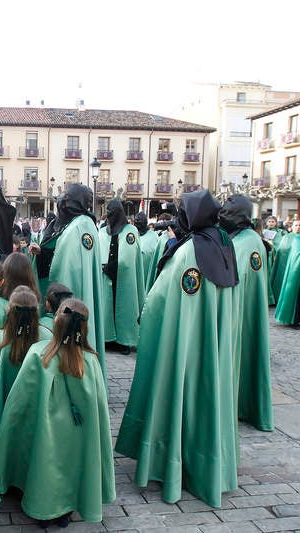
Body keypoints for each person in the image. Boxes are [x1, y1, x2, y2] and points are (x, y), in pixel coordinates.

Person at [115, 189, 240, 507]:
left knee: (180, 395)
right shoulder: (224, 244)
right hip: (211, 341)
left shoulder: (190, 252)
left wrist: (148, 311)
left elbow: (162, 300)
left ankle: (172, 465)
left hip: (184, 342)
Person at [0, 298, 115, 527]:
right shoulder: (91, 363)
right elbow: (97, 414)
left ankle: (42, 504)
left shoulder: (38, 354)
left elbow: (18, 407)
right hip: (77, 440)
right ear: (84, 329)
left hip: (44, 438)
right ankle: (66, 508)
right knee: (74, 457)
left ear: (57, 323)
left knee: (44, 454)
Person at [30, 183, 106, 379]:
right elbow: (60, 252)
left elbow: (72, 265)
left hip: (75, 294)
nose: (61, 202)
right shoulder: (75, 224)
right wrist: (43, 252)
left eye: (66, 198)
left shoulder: (82, 226)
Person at [219, 195, 273, 432]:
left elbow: (243, 280)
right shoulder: (234, 236)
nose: (223, 215)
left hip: (242, 314)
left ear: (241, 216)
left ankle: (242, 404)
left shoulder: (250, 243)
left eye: (228, 211)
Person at [0, 286, 51, 444]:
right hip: (38, 426)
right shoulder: (48, 339)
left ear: (8, 309)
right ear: (37, 310)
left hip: (2, 426)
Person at [99, 200, 145, 354]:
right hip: (107, 277)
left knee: (124, 307)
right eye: (108, 213)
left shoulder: (130, 231)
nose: (109, 216)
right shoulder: (103, 231)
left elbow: (127, 258)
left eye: (112, 213)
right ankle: (108, 337)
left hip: (123, 278)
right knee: (107, 306)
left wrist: (111, 266)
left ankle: (124, 340)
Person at [270, 219, 300, 304]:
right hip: (284, 264)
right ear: (292, 227)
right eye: (296, 225)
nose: (298, 227)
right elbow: (281, 251)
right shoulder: (286, 237)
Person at [135, 212, 159, 292]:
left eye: (140, 222)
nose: (138, 223)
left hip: (148, 271)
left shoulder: (154, 236)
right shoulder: (133, 234)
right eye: (137, 222)